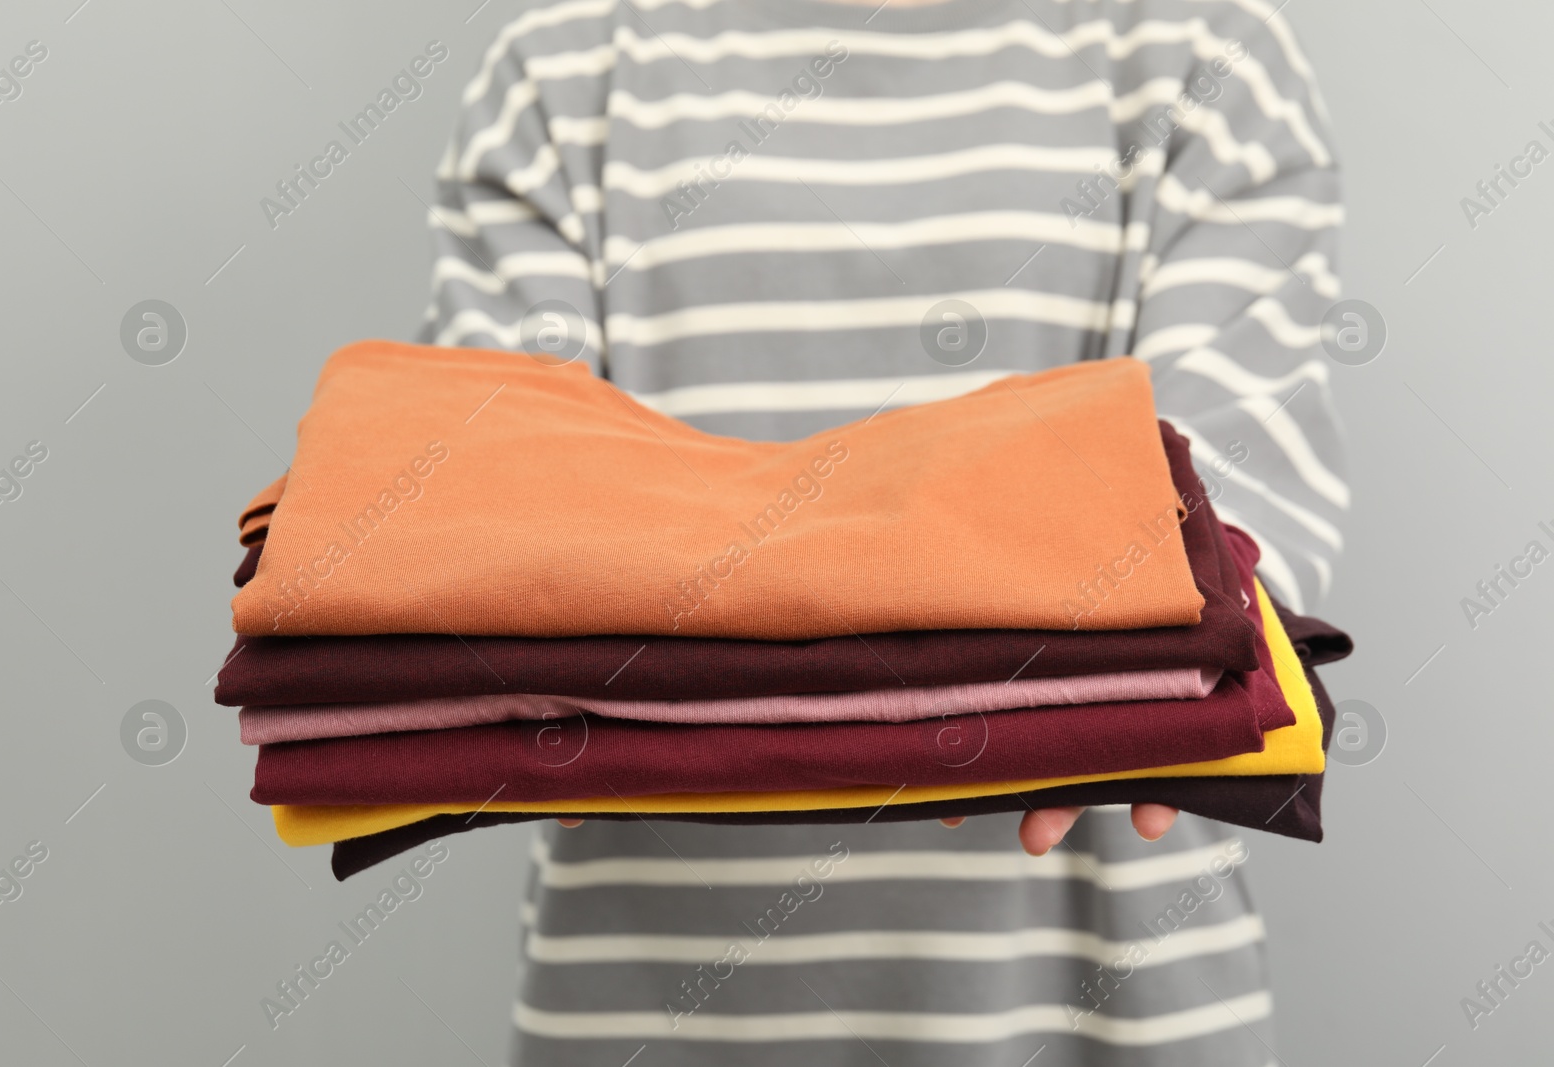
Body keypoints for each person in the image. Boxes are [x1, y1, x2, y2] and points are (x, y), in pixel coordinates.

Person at [418, 0, 1346, 1061]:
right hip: (642, 1012)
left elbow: (1224, 527)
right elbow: (498, 517)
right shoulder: (562, 70)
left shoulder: (1207, 54)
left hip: (1120, 1010)